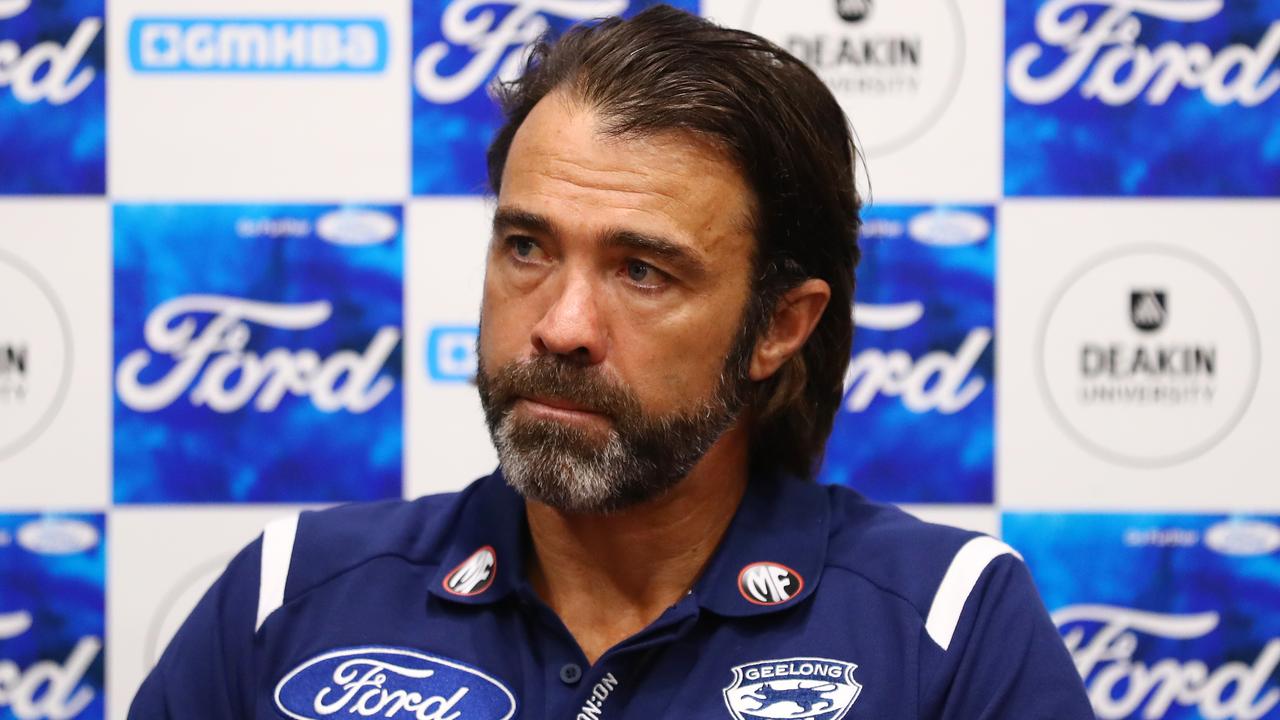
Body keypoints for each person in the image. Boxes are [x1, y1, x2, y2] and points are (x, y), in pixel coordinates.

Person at [130, 6, 1093, 719]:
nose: (560, 326)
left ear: (779, 327)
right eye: (527, 249)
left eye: (641, 270)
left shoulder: (947, 627)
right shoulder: (292, 597)